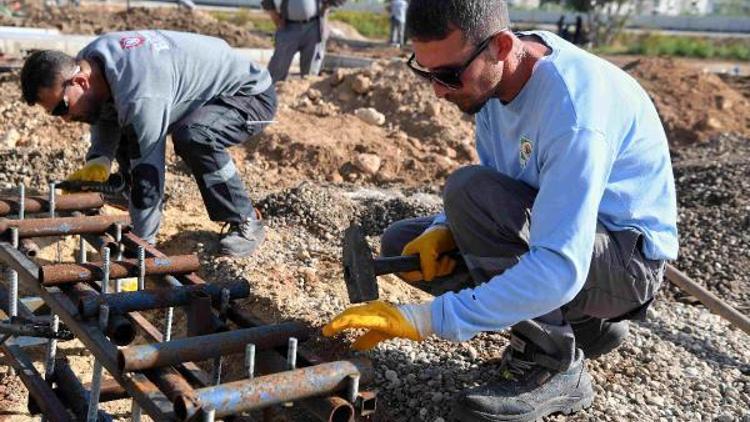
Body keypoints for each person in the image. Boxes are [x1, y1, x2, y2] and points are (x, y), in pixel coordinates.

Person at [323, 0, 678, 421]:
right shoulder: (496, 83)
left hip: (624, 265)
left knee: (468, 194)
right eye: (425, 72)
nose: (438, 89)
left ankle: (552, 367)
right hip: (573, 237)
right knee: (406, 242)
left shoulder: (573, 114)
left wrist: (425, 320)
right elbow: (503, 180)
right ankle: (585, 327)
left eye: (449, 75)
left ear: (503, 46)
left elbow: (559, 267)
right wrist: (444, 227)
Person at [20, 30, 276, 257]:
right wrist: (99, 159)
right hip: (189, 91)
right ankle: (126, 190)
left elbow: (149, 173)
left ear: (80, 82)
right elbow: (105, 111)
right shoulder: (90, 61)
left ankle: (245, 219)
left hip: (248, 96)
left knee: (195, 136)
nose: (64, 119)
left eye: (62, 108)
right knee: (117, 115)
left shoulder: (140, 92)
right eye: (55, 113)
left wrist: (142, 246)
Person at [262, 0, 344, 81]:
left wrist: (329, 3)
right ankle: (269, 91)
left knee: (310, 74)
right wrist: (272, 12)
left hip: (314, 27)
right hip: (288, 26)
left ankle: (307, 93)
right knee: (277, 67)